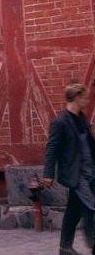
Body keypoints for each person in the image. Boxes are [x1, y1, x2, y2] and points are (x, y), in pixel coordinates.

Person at [43, 83, 95, 255]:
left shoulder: (81, 117)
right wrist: (48, 174)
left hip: (90, 171)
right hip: (76, 173)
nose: (86, 101)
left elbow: (89, 144)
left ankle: (65, 247)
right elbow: (52, 149)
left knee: (73, 211)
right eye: (84, 98)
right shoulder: (60, 122)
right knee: (90, 207)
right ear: (76, 98)